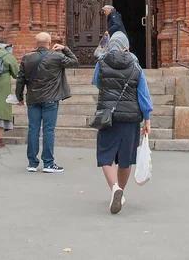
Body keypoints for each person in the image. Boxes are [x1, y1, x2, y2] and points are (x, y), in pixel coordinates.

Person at [92, 31, 152, 215]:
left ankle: (115, 189)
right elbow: (143, 93)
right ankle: (121, 191)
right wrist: (147, 117)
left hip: (108, 115)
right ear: (126, 46)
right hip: (131, 117)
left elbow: (97, 82)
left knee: (105, 155)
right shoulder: (135, 65)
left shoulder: (101, 62)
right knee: (125, 158)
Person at [15, 32, 78, 173]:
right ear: (49, 43)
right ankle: (48, 164)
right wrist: (64, 48)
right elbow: (75, 62)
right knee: (48, 130)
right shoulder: (57, 56)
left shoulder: (27, 58)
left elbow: (20, 79)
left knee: (33, 130)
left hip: (33, 99)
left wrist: (19, 97)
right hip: (50, 98)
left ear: (36, 43)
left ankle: (32, 163)